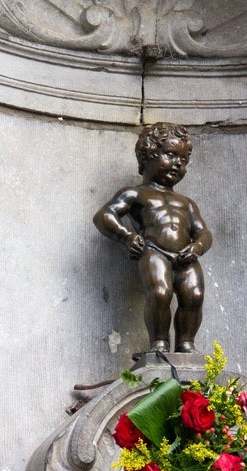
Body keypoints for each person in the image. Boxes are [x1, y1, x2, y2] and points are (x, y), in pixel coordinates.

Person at [93, 123, 212, 353]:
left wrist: (197, 247)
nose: (178, 164)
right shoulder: (136, 193)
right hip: (154, 250)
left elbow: (204, 232)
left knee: (195, 295)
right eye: (170, 155)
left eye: (184, 160)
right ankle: (159, 342)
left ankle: (186, 344)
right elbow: (104, 215)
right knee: (159, 293)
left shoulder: (186, 203)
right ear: (148, 155)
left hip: (186, 256)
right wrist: (127, 237)